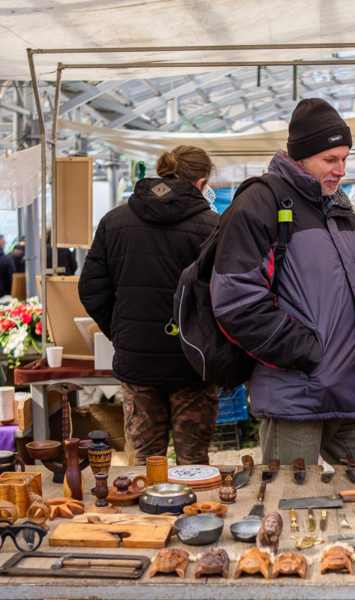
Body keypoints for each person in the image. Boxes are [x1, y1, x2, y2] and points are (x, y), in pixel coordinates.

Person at [211, 98, 355, 466]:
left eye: (345, 158)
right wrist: (307, 353)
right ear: (302, 156)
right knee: (291, 510)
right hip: (298, 396)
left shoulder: (339, 203)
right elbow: (235, 300)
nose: (341, 170)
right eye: (331, 160)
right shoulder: (259, 203)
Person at [79, 145, 220, 465]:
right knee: (193, 463)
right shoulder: (213, 227)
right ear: (201, 183)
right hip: (193, 365)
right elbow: (227, 296)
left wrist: (122, 332)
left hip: (137, 365)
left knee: (145, 463)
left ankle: (148, 515)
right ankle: (198, 515)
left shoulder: (114, 221)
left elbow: (90, 289)